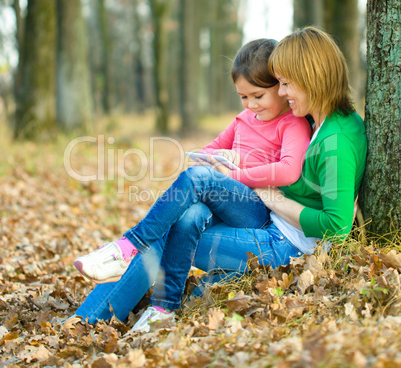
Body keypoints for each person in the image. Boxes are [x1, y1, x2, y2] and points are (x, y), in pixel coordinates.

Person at [74, 27, 366, 333]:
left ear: (312, 79)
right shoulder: (317, 119)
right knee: (186, 216)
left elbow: (337, 226)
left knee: (171, 230)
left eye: (285, 84)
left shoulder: (337, 139)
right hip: (272, 225)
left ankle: (99, 311)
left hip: (286, 245)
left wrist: (270, 196)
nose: (280, 92)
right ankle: (114, 307)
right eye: (279, 84)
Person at [73, 38, 311, 286]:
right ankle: (152, 305)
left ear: (281, 87)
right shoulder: (244, 118)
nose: (251, 105)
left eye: (258, 96)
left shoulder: (292, 123)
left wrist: (235, 170)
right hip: (230, 200)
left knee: (196, 181)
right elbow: (209, 150)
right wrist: (216, 159)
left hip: (259, 209)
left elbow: (289, 170)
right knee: (185, 216)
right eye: (243, 97)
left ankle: (130, 245)